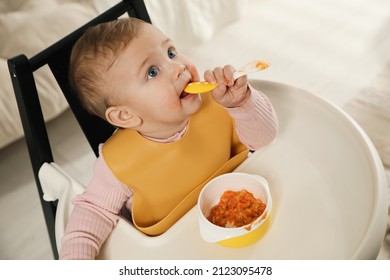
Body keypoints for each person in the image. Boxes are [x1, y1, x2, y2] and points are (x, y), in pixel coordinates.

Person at [60, 17, 278, 259]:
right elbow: (91, 217)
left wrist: (241, 103)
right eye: (152, 72)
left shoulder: (219, 102)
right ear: (125, 115)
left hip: (243, 232)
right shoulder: (117, 166)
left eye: (171, 52)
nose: (179, 67)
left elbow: (265, 138)